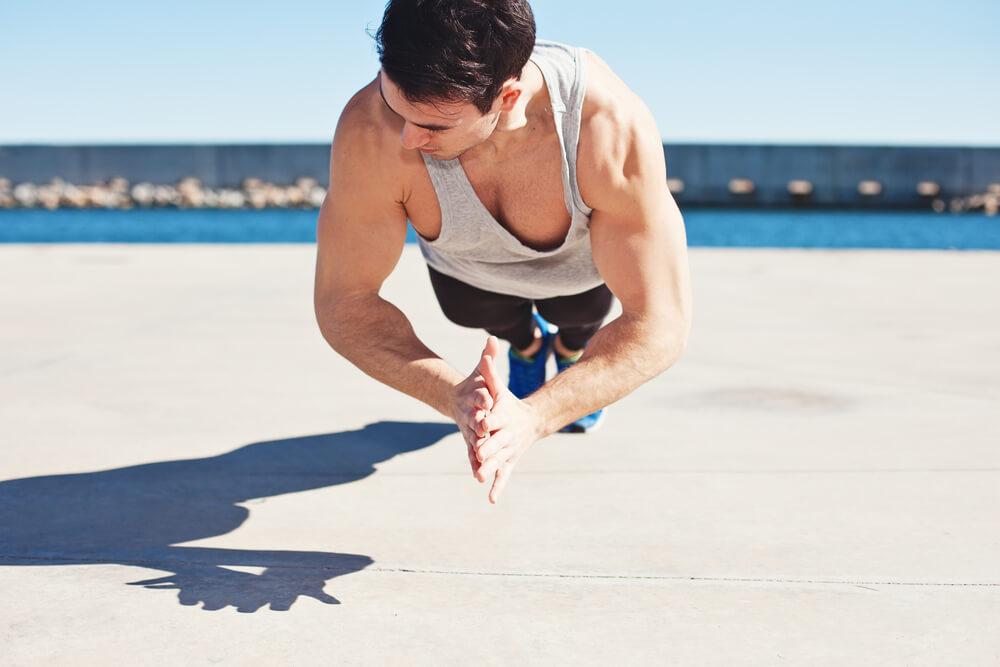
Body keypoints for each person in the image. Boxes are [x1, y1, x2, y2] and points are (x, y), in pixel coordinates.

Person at [314, 0, 692, 504]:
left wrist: (535, 416)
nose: (407, 138)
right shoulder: (369, 129)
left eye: (435, 126)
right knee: (477, 311)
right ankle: (529, 347)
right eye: (396, 105)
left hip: (577, 278)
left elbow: (658, 323)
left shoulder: (605, 125)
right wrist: (453, 394)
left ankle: (568, 351)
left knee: (578, 316)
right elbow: (344, 303)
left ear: (508, 97)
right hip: (469, 277)